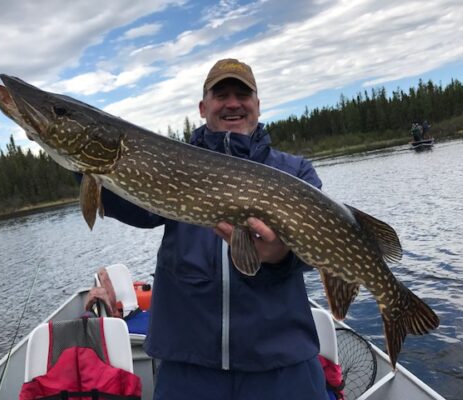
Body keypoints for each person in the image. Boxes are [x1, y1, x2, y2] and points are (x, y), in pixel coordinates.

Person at [98, 59, 329, 399]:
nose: (233, 103)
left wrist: (281, 256)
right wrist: (86, 163)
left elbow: (320, 247)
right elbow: (131, 206)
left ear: (257, 105)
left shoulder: (295, 171)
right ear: (203, 108)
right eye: (221, 95)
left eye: (242, 95)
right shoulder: (174, 163)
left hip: (281, 362)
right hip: (188, 366)